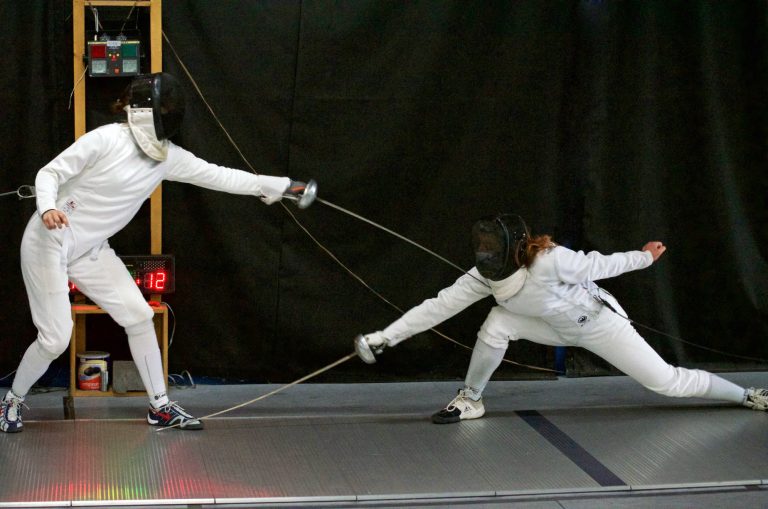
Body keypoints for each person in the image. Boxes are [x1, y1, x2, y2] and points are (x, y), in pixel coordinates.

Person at [0, 72, 314, 432]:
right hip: (49, 240)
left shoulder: (167, 157)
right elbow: (49, 173)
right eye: (163, 107)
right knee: (56, 337)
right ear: (145, 109)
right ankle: (11, 401)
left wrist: (279, 186)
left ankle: (160, 407)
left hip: (89, 250)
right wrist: (46, 208)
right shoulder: (106, 139)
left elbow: (220, 176)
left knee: (139, 316)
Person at [357, 213, 768, 423]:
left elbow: (598, 265)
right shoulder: (484, 275)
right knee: (497, 324)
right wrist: (385, 337)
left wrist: (644, 257)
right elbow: (437, 306)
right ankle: (472, 398)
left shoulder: (551, 260)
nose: (487, 260)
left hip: (598, 325)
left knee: (666, 382)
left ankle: (746, 394)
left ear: (516, 248)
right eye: (482, 251)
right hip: (549, 328)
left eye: (492, 251)